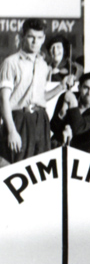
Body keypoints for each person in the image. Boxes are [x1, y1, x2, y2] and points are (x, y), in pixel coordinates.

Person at [1, 18, 74, 163]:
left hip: (40, 120)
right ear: (22, 37)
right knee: (18, 165)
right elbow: (3, 100)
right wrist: (11, 131)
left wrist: (61, 86)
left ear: (44, 39)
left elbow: (41, 97)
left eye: (39, 38)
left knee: (40, 166)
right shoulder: (11, 62)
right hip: (19, 120)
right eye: (31, 37)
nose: (35, 42)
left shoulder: (43, 65)